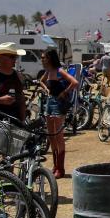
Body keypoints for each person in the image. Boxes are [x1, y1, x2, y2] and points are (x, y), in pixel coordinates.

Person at [38, 48, 78, 178]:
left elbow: (75, 82)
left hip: (58, 104)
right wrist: (46, 90)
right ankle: (55, 166)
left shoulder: (59, 71)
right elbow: (41, 81)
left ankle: (60, 168)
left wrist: (64, 92)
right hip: (49, 103)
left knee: (58, 136)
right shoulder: (48, 71)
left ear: (50, 58)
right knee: (51, 136)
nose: (42, 59)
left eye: (44, 57)